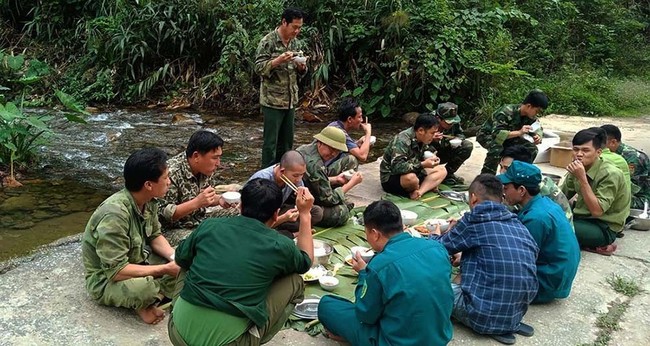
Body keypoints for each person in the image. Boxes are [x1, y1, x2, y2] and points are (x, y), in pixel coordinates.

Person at [168, 179, 315, 346]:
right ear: (276, 213)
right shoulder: (280, 245)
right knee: (294, 280)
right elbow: (306, 260)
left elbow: (180, 258)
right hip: (230, 343)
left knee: (187, 260)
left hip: (177, 333)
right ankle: (251, 335)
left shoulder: (209, 226)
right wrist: (305, 214)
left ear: (241, 205)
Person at [318, 200, 454, 345]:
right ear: (402, 226)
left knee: (327, 305)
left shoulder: (380, 265)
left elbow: (365, 315)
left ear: (375, 234)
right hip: (438, 338)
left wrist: (365, 275)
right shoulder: (436, 248)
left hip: (394, 341)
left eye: (366, 233)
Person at [432, 174, 538, 345]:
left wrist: (436, 234)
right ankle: (506, 323)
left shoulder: (475, 219)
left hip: (483, 314)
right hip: (517, 310)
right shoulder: (516, 222)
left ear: (473, 198)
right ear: (501, 198)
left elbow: (437, 248)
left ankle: (487, 322)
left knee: (431, 285)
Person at [82, 148, 180, 325]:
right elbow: (116, 271)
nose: (169, 182)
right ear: (148, 185)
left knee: (188, 260)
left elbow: (155, 236)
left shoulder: (148, 201)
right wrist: (165, 270)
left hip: (138, 261)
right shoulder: (114, 215)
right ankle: (147, 301)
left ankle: (152, 300)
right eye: (165, 178)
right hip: (106, 278)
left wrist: (175, 258)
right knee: (144, 289)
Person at [498, 160, 580, 304]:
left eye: (506, 187)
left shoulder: (535, 219)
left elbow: (517, 261)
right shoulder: (544, 203)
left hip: (546, 284)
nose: (504, 192)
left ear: (522, 190)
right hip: (556, 276)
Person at [158, 130, 238, 246]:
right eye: (214, 158)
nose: (218, 163)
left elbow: (206, 197)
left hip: (198, 221)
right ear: (196, 156)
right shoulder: (171, 173)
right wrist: (197, 203)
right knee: (206, 240)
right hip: (172, 230)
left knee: (239, 214)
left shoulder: (205, 169)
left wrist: (220, 199)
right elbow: (163, 215)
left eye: (219, 158)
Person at [560, 128, 630, 255]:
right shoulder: (578, 166)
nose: (579, 154)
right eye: (576, 149)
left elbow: (597, 211)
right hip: (582, 218)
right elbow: (561, 197)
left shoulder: (610, 173)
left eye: (585, 150)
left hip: (603, 226)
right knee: (543, 220)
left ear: (598, 152)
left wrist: (582, 178)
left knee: (556, 229)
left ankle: (599, 244)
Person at [255, 7, 307, 168]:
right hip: (272, 100)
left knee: (287, 143)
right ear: (284, 22)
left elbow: (300, 74)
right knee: (270, 143)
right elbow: (258, 68)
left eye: (299, 27)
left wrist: (302, 67)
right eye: (294, 27)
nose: (297, 31)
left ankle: (284, 174)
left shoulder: (295, 42)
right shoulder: (268, 41)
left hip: (290, 99)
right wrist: (278, 60)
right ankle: (266, 178)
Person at [296, 127, 363, 227]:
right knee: (342, 213)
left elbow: (314, 180)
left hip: (308, 187)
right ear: (320, 143)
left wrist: (336, 179)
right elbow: (329, 200)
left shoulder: (307, 148)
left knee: (350, 160)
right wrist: (351, 183)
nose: (334, 154)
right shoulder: (315, 165)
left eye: (337, 151)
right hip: (299, 202)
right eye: (332, 149)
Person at [248, 150, 324, 238]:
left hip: (278, 211)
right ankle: (292, 234)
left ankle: (280, 230)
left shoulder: (294, 177)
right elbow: (256, 219)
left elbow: (302, 202)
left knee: (316, 212)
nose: (299, 179)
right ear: (282, 171)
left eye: (302, 175)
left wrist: (302, 205)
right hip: (260, 217)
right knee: (259, 231)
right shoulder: (262, 179)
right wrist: (285, 217)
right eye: (296, 176)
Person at [477, 89, 548, 174]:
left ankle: (518, 174)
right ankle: (487, 178)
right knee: (497, 147)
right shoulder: (506, 112)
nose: (537, 114)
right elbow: (496, 134)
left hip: (509, 137)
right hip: (488, 135)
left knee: (531, 149)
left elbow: (537, 127)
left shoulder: (529, 116)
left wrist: (538, 136)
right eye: (537, 111)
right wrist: (519, 132)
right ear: (529, 106)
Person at [499, 145, 573, 225]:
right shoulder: (528, 180)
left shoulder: (537, 189)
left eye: (507, 169)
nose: (501, 172)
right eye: (501, 167)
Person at [380, 113, 448, 200]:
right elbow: (397, 167)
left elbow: (426, 153)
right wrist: (423, 164)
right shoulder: (402, 140)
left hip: (413, 170)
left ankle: (419, 192)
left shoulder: (422, 137)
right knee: (411, 179)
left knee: (442, 170)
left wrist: (433, 158)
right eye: (432, 133)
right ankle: (423, 186)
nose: (434, 135)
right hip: (392, 177)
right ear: (420, 130)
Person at [601, 124, 649, 209]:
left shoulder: (633, 158)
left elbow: (634, 189)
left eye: (601, 143)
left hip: (641, 200)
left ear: (613, 142)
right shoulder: (611, 154)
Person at [322, 98, 372, 177]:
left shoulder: (335, 125)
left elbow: (344, 148)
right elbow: (363, 156)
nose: (362, 120)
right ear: (349, 119)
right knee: (351, 160)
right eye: (359, 117)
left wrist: (357, 143)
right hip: (320, 170)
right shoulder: (339, 132)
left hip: (320, 166)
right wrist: (368, 133)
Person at [430, 102, 473, 185]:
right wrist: (431, 139)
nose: (452, 124)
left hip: (445, 150)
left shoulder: (453, 123)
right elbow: (416, 140)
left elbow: (460, 134)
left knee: (467, 145)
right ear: (438, 118)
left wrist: (458, 139)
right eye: (448, 122)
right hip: (429, 153)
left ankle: (447, 174)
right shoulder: (427, 121)